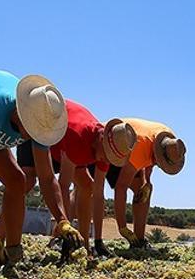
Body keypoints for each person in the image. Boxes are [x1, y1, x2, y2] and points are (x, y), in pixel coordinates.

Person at [0, 69, 79, 268]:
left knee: (17, 181)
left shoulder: (41, 117)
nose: (34, 136)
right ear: (21, 113)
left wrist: (62, 220)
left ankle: (13, 251)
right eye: (33, 129)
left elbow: (47, 178)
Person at [17, 102, 137, 258]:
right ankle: (4, 237)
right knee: (24, 183)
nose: (106, 160)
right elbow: (63, 187)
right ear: (101, 140)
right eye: (106, 155)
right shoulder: (79, 137)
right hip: (37, 130)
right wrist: (65, 228)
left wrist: (94, 243)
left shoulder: (108, 151)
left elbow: (98, 191)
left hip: (63, 145)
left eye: (111, 158)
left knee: (87, 186)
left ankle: (84, 240)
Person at [109, 119, 186, 249]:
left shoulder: (170, 143)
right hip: (111, 143)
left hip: (134, 150)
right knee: (88, 188)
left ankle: (138, 241)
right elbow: (120, 187)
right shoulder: (140, 147)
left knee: (144, 189)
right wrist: (122, 227)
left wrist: (147, 182)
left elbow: (150, 161)